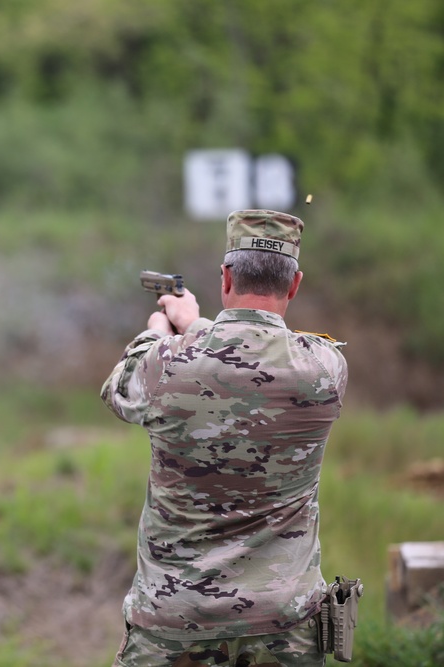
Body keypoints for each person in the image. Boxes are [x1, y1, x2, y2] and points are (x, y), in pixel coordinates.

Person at [100, 210, 348, 666]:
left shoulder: (166, 363)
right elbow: (254, 360)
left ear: (226, 275)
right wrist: (197, 327)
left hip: (173, 623)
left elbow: (118, 388)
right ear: (294, 285)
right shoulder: (324, 369)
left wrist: (160, 333)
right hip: (283, 626)